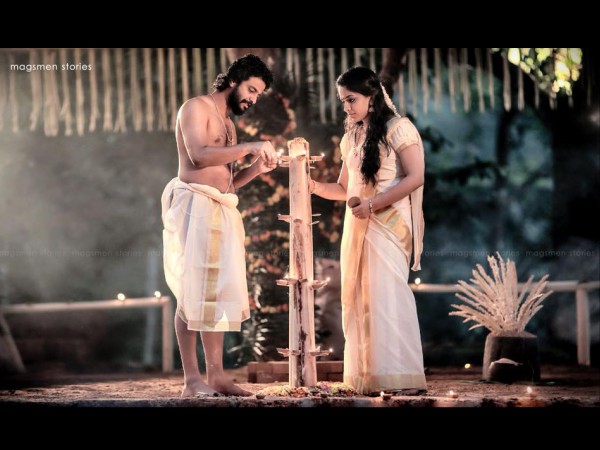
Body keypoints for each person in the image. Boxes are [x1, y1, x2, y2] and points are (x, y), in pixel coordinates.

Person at [161, 54, 278, 398]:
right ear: (234, 80)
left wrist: (256, 169)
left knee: (214, 293)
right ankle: (191, 381)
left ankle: (217, 376)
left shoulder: (229, 123)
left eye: (258, 95)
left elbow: (228, 182)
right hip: (194, 205)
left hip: (221, 207)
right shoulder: (195, 107)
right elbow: (198, 156)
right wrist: (251, 146)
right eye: (252, 90)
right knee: (192, 290)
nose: (253, 99)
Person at [309, 67, 427, 395]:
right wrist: (311, 185)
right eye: (342, 101)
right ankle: (369, 377)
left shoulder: (399, 128)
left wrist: (373, 205)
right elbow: (344, 188)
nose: (346, 107)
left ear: (372, 97)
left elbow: (416, 176)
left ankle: (399, 377)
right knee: (359, 299)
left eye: (351, 99)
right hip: (359, 223)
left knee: (386, 297)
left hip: (388, 225)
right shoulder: (352, 138)